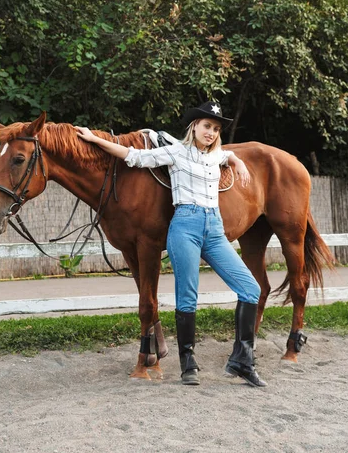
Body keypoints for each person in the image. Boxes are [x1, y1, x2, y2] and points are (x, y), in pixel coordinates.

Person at [75, 101, 267, 387]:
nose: (211, 132)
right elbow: (133, 156)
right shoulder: (176, 152)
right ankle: (188, 363)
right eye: (206, 126)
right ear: (194, 127)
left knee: (250, 289)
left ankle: (242, 360)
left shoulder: (216, 155)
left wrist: (237, 160)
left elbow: (227, 154)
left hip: (214, 228)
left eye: (215, 128)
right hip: (185, 226)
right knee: (188, 296)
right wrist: (94, 139)